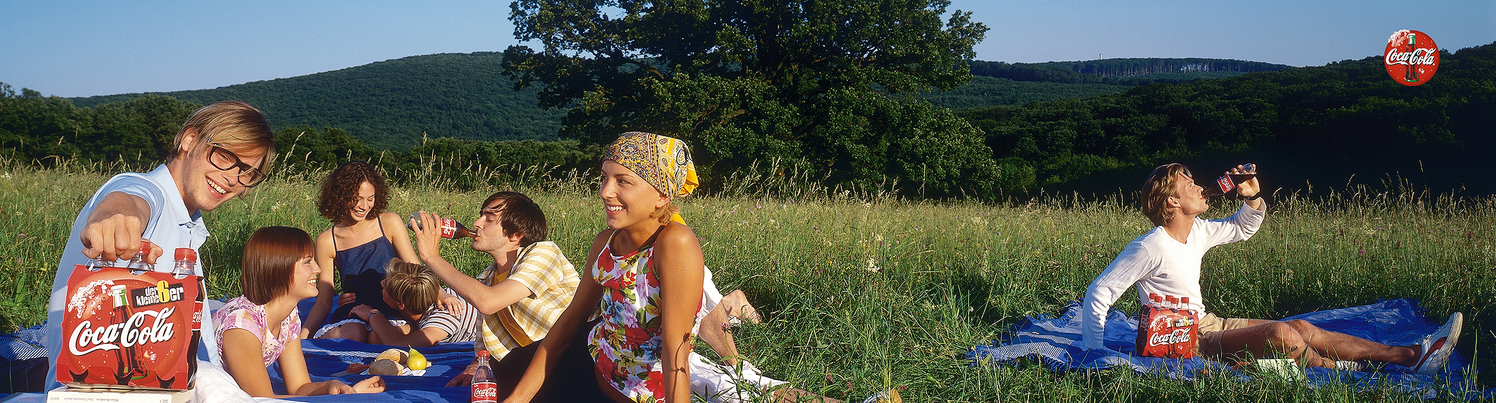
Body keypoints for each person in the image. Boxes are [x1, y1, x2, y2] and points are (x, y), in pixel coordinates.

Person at [501, 132, 889, 403]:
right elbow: (570, 323)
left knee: (738, 389)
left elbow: (676, 349)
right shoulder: (607, 242)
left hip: (645, 383)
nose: (605, 191)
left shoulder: (675, 244)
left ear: (660, 195)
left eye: (623, 181)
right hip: (591, 364)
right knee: (504, 377)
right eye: (604, 178)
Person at [1080, 163, 1463, 373]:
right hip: (1185, 341)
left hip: (1208, 324)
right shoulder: (1150, 246)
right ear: (1170, 202)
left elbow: (1241, 228)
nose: (1200, 188)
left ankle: (1408, 356)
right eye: (1189, 185)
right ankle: (1400, 360)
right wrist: (1093, 354)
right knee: (1284, 333)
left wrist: (1253, 197)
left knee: (1303, 328)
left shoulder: (1196, 231)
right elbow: (1100, 292)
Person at [44, 101, 276, 393]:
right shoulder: (150, 191)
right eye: (225, 156)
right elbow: (131, 196)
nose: (233, 178)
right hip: (106, 393)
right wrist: (116, 213)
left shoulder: (188, 222)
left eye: (248, 172)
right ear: (189, 140)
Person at [410, 192, 584, 396]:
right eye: (480, 215)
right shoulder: (487, 278)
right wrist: (478, 364)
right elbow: (486, 339)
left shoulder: (544, 253)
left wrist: (432, 257)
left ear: (516, 234)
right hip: (530, 366)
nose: (477, 223)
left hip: (574, 357)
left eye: (489, 219)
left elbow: (488, 302)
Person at [215, 226, 385, 397]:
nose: (318, 269)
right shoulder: (241, 326)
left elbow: (299, 387)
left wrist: (334, 387)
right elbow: (263, 400)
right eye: (307, 261)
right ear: (279, 268)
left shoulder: (288, 316)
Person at [305, 161, 422, 340]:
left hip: (391, 305)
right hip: (354, 309)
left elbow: (415, 268)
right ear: (340, 195)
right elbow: (323, 301)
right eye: (356, 198)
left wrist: (441, 294)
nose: (364, 206)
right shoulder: (328, 240)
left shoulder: (389, 222)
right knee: (355, 333)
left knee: (378, 336)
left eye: (370, 198)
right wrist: (302, 338)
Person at [337, 259, 484, 347]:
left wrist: (373, 314)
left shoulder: (443, 319)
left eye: (385, 286)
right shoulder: (424, 292)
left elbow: (400, 345)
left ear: (401, 304)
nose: (381, 283)